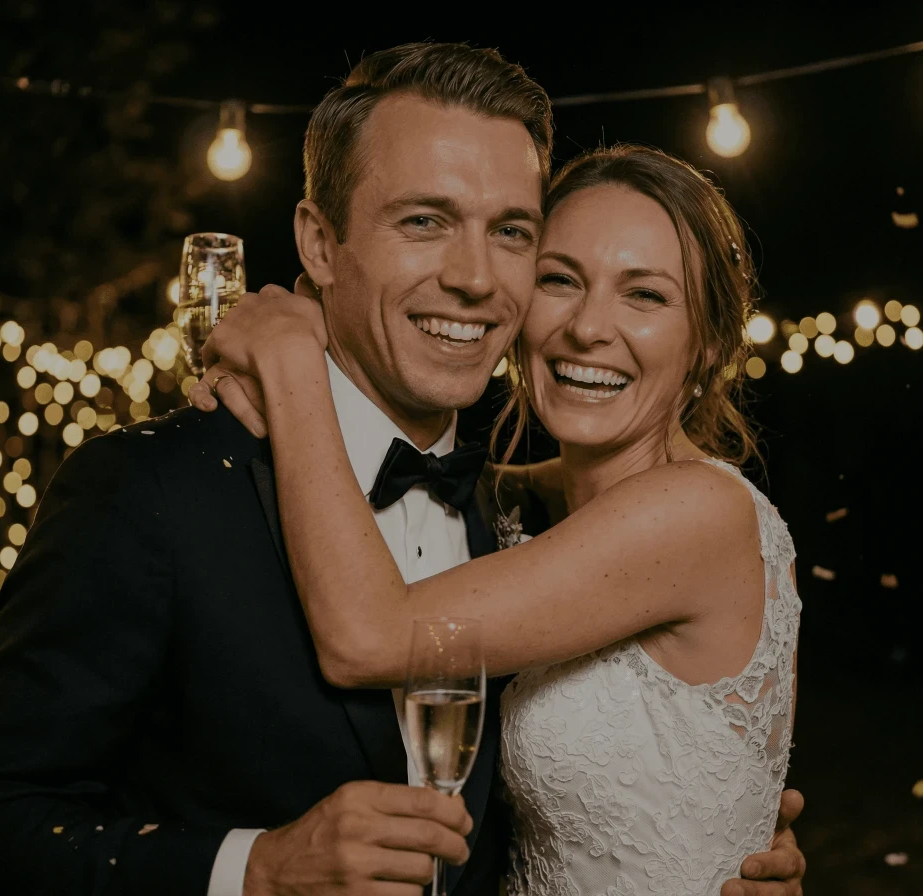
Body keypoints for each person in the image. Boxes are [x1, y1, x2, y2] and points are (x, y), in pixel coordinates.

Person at [0, 42, 803, 896]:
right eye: (424, 221)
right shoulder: (154, 488)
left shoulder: (534, 516)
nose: (472, 277)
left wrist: (721, 839)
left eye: (509, 233)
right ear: (318, 243)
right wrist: (252, 870)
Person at [192, 137, 805, 893]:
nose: (587, 328)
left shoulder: (695, 510)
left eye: (644, 295)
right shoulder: (538, 502)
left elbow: (368, 637)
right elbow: (411, 475)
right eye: (559, 280)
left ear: (709, 345)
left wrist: (290, 368)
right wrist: (309, 370)